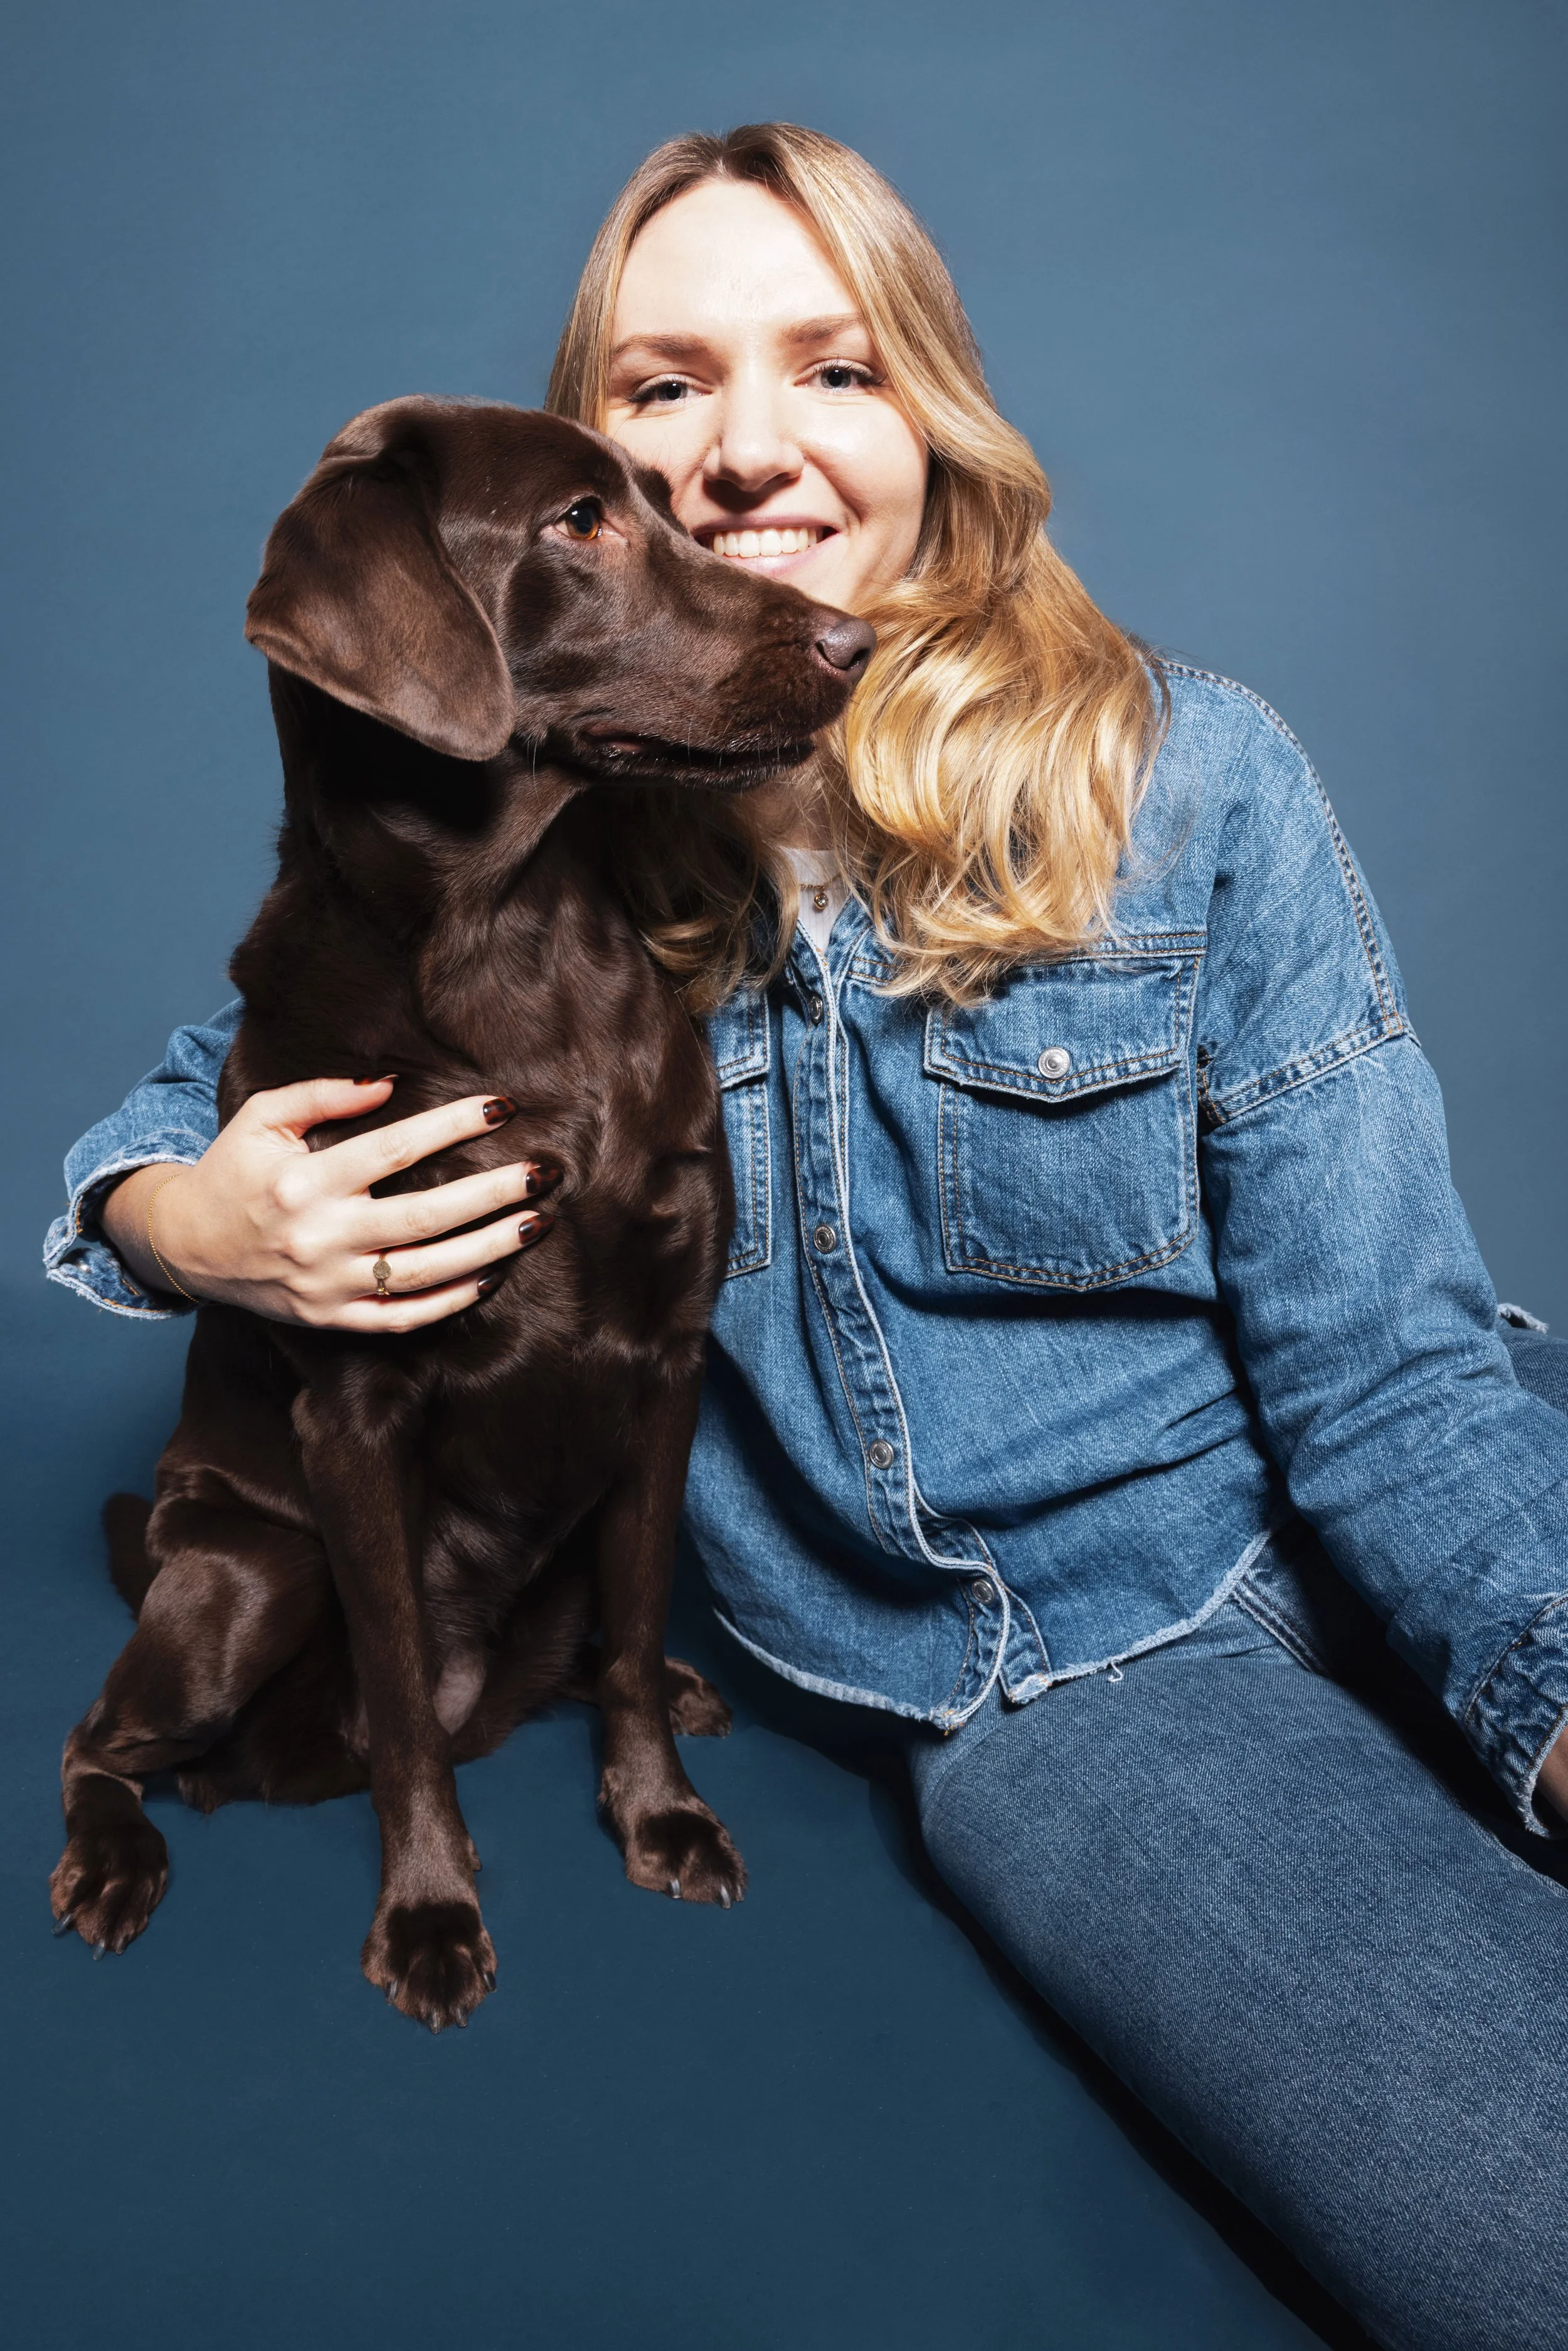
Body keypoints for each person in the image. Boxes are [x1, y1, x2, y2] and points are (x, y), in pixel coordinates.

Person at [44, 124, 1568, 2351]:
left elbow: (1401, 1380)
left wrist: (1543, 1668)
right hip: (1054, 1679)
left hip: (1409, 1486)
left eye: (833, 368)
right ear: (592, 473)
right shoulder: (549, 862)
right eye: (662, 389)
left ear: (929, 417)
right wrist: (181, 1213)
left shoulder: (1192, 776)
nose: (749, 445)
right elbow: (219, 1080)